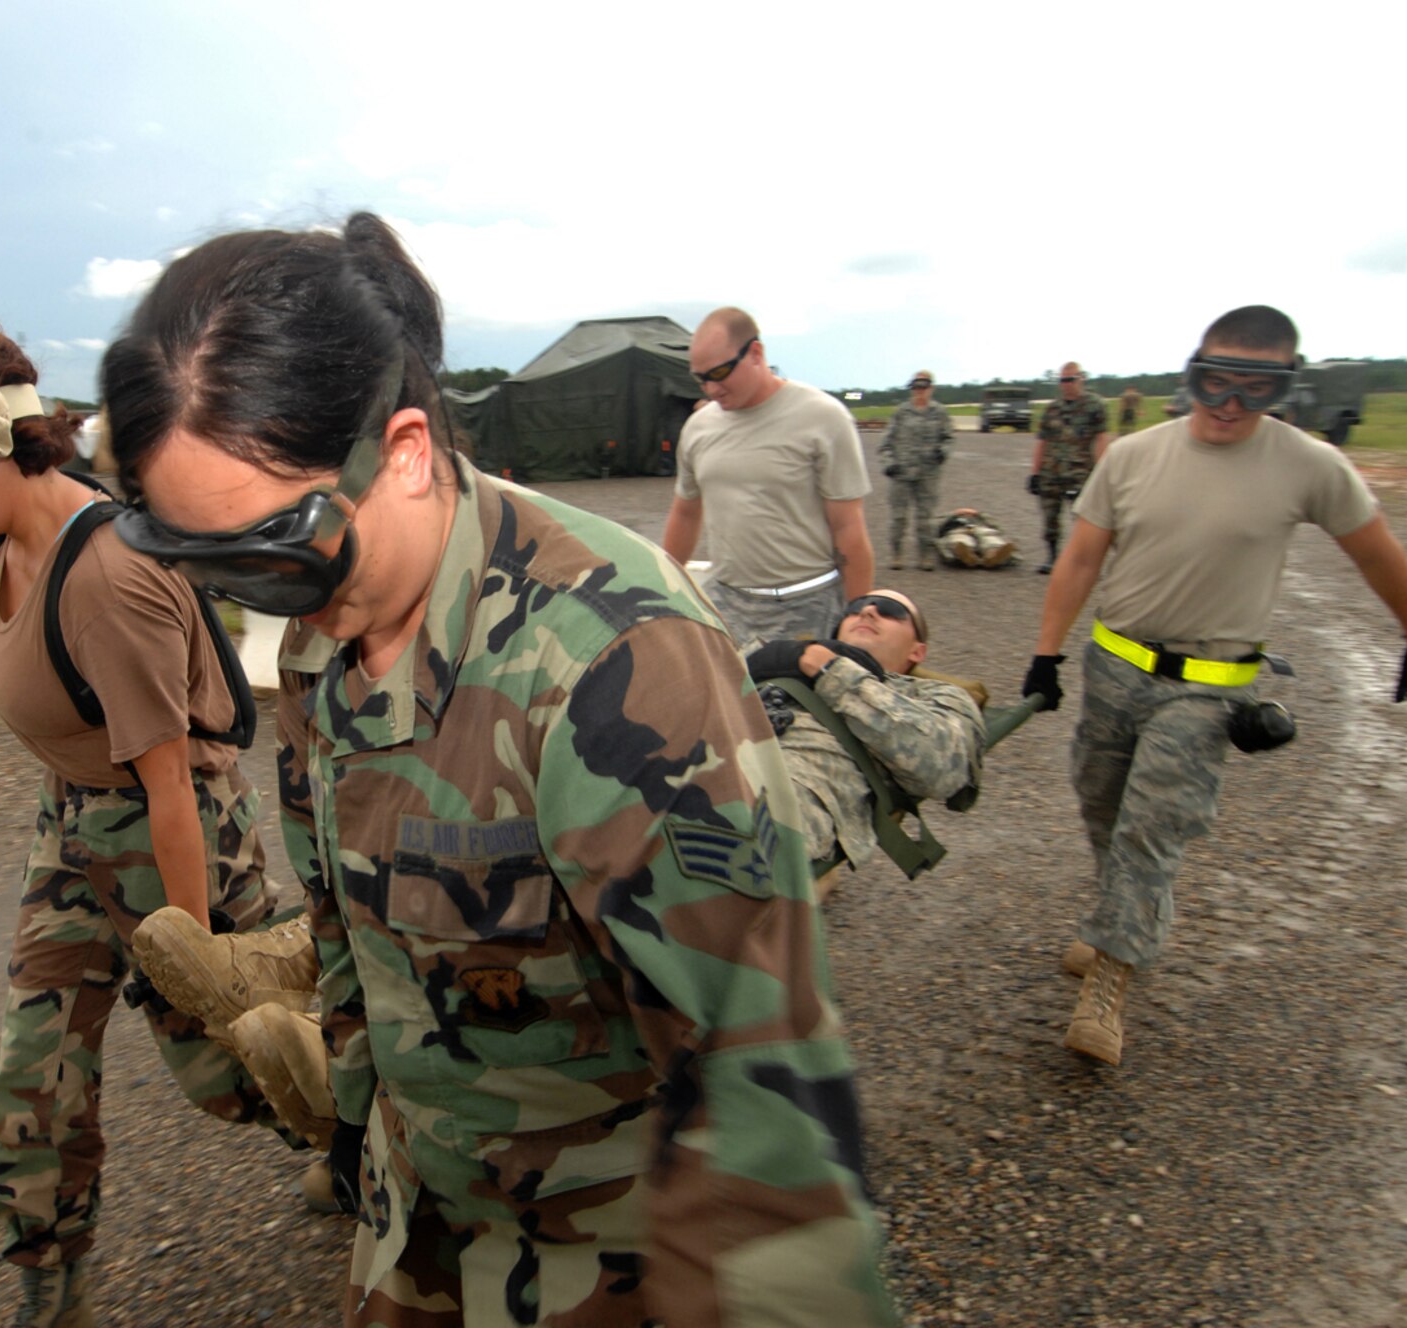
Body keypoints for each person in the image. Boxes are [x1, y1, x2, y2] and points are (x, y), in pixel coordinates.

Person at [100, 214, 897, 1327]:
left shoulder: (615, 660)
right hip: (415, 1215)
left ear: (407, 450)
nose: (263, 597)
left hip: (598, 1257)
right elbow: (345, 914)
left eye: (277, 553)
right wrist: (350, 1102)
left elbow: (756, 1081)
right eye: (210, 565)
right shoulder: (326, 620)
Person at [0, 321, 300, 1328]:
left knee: (233, 1068)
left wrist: (188, 951)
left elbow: (169, 788)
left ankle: (369, 1155)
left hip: (171, 834)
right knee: (31, 1067)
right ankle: (50, 1284)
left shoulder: (107, 574)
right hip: (72, 826)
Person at [1022, 306, 1407, 1069]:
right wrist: (1045, 656)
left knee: (1153, 825)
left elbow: (1374, 550)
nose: (1230, 405)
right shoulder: (1133, 456)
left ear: (1284, 386)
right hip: (1114, 669)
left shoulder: (1309, 465)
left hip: (1209, 689)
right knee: (1105, 810)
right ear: (1193, 373)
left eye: (1256, 388)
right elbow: (1081, 558)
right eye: (1216, 382)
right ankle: (1123, 917)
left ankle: (1110, 982)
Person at [661, 307, 874, 649]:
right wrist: (661, 587)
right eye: (700, 378)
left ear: (756, 353)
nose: (711, 388)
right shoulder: (698, 428)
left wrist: (857, 617)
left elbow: (849, 526)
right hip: (726, 606)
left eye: (719, 372)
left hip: (809, 606)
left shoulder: (823, 418)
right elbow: (685, 514)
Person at [747, 590, 984, 868]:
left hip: (776, 794)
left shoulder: (929, 695)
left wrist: (828, 668)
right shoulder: (775, 660)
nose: (868, 611)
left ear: (917, 650)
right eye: (856, 606)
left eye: (890, 609)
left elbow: (943, 768)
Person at [1029, 361, 1110, 574]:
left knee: (1084, 520)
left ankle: (1083, 562)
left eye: (1070, 379)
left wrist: (1102, 472)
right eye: (1062, 380)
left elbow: (1101, 439)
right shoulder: (1052, 409)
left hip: (1080, 472)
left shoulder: (1095, 406)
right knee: (1050, 518)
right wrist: (1035, 473)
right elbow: (1042, 441)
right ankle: (1053, 557)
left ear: (1081, 378)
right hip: (1051, 472)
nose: (1065, 384)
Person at [878, 371, 954, 572]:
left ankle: (925, 556)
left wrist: (943, 453)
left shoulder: (940, 413)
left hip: (928, 473)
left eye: (924, 387)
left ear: (931, 388)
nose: (920, 392)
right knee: (898, 517)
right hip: (901, 472)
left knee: (925, 518)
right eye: (916, 387)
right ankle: (896, 554)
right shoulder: (901, 413)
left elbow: (948, 438)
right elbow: (885, 442)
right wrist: (888, 464)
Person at [933, 509, 1017, 569]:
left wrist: (979, 514)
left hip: (980, 528)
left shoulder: (980, 519)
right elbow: (935, 526)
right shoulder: (951, 518)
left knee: (989, 536)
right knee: (959, 539)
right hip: (957, 529)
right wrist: (953, 514)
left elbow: (996, 526)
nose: (966, 512)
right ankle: (967, 555)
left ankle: (993, 555)